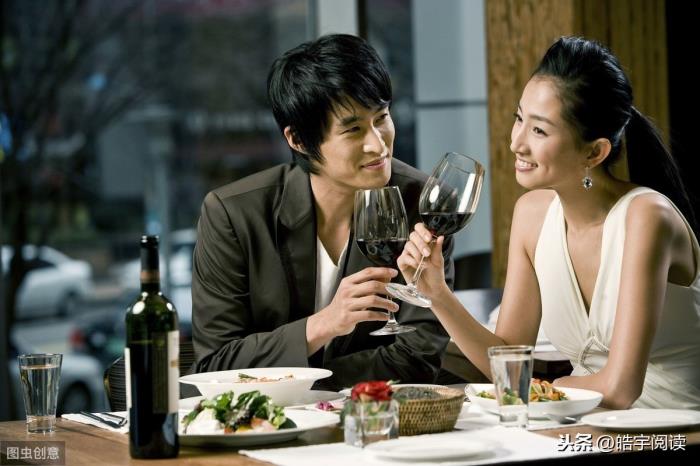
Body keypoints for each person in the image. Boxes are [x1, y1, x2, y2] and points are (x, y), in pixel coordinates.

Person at [398, 36, 700, 409]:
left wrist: (547, 389)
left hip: (669, 427)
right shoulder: (532, 215)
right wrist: (437, 294)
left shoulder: (647, 218)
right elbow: (509, 362)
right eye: (519, 119)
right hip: (579, 421)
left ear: (595, 151)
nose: (516, 143)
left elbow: (620, 389)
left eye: (539, 130)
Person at [191, 34, 453, 389]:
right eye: (353, 129)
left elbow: (418, 356)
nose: (378, 144)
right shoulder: (234, 215)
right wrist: (323, 325)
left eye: (382, 118)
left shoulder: (423, 203)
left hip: (372, 415)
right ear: (298, 140)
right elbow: (215, 365)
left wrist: (312, 387)